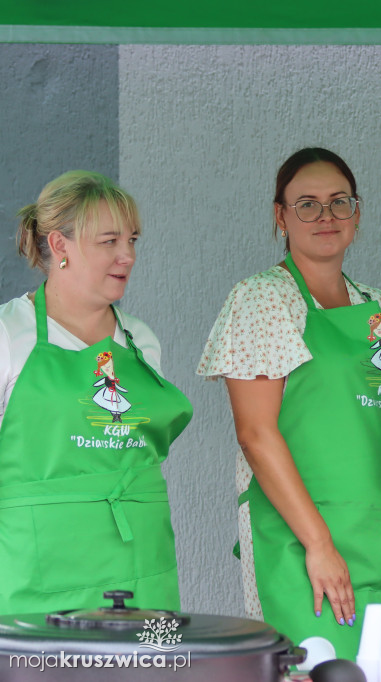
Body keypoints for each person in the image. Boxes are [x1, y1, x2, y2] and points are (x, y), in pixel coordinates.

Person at [197, 148, 381, 659]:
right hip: (304, 542)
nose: (325, 216)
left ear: (357, 214)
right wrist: (319, 546)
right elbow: (256, 434)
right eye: (307, 204)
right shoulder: (262, 299)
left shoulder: (379, 306)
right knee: (313, 668)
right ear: (281, 217)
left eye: (339, 203)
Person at [0, 171, 193, 614]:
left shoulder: (140, 340)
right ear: (59, 245)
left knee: (148, 671)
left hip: (142, 562)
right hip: (35, 574)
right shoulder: (9, 335)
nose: (127, 255)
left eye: (133, 240)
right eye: (109, 241)